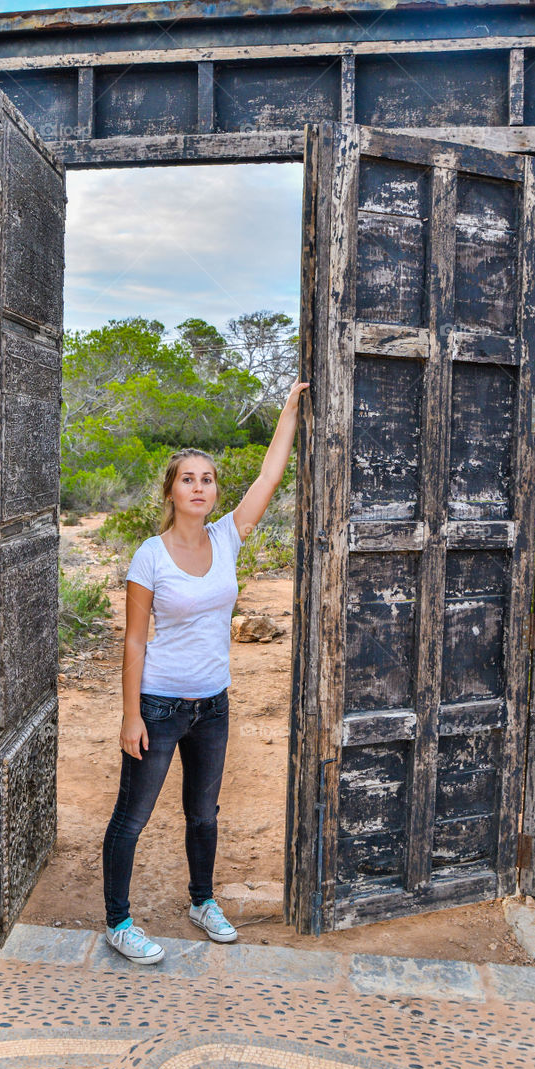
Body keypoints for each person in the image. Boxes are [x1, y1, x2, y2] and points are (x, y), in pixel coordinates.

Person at [102, 379, 309, 964]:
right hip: (160, 706)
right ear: (170, 491)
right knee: (132, 817)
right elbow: (135, 641)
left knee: (204, 813)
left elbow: (270, 477)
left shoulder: (228, 538)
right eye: (187, 478)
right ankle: (118, 921)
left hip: (212, 705)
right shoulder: (150, 555)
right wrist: (131, 715)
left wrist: (288, 412)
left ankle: (201, 901)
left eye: (208, 478)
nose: (199, 486)